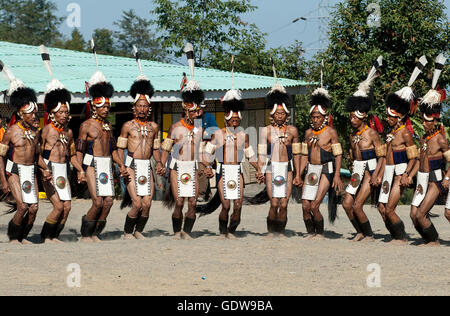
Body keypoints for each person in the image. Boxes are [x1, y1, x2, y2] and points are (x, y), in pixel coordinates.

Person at [0, 61, 52, 244]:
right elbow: (0, 156)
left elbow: (37, 155)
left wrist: (45, 169)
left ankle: (23, 236)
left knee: (34, 208)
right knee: (22, 206)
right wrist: (3, 180)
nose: (34, 115)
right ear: (22, 114)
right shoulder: (11, 131)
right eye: (31, 113)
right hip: (14, 171)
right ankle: (13, 237)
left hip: (30, 172)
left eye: (35, 112)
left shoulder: (36, 132)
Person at [201, 88, 262, 239]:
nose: (234, 122)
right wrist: (208, 166)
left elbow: (251, 156)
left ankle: (231, 231)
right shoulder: (218, 134)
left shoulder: (243, 136)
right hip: (222, 172)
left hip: (238, 171)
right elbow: (206, 155)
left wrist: (259, 169)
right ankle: (223, 232)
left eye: (237, 120)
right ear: (226, 119)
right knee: (226, 205)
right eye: (232, 120)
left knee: (238, 206)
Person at [38, 47, 84, 243]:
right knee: (58, 206)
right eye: (61, 112)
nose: (65, 115)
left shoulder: (69, 132)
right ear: (54, 113)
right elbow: (36, 153)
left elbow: (72, 154)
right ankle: (45, 237)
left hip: (63, 170)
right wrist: (43, 170)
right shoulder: (46, 130)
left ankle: (54, 235)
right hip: (49, 170)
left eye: (67, 112)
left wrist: (80, 170)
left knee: (67, 207)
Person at [160, 43, 204, 240]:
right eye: (193, 111)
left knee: (193, 202)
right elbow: (166, 148)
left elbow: (205, 150)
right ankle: (177, 231)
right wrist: (161, 163)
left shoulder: (201, 129)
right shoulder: (175, 127)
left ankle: (188, 231)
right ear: (186, 109)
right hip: (177, 166)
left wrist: (208, 165)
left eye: (198, 111)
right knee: (179, 202)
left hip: (193, 166)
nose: (196, 114)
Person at [378, 62, 421, 244]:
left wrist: (406, 174)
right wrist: (379, 173)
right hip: (388, 172)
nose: (388, 119)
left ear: (400, 117)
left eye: (391, 117)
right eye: (388, 116)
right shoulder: (390, 132)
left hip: (399, 173)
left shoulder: (405, 133)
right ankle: (395, 234)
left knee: (389, 209)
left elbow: (414, 157)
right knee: (381, 208)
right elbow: (384, 154)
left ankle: (401, 237)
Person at [115, 69, 162, 240]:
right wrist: (121, 166)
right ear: (134, 107)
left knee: (147, 203)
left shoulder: (154, 127)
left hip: (147, 165)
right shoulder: (127, 126)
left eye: (145, 106)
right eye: (139, 105)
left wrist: (159, 163)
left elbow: (156, 149)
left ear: (149, 108)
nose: (142, 108)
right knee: (136, 202)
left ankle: (138, 231)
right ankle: (127, 232)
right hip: (132, 166)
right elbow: (120, 148)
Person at [342, 57, 384, 242]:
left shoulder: (372, 133)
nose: (352, 120)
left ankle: (369, 234)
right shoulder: (352, 136)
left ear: (363, 116)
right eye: (350, 117)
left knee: (358, 205)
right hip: (357, 170)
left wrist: (377, 175)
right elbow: (352, 154)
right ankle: (360, 230)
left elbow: (382, 156)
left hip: (370, 170)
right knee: (346, 204)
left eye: (354, 117)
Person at [76, 70, 117, 242]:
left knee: (109, 201)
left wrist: (120, 165)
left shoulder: (109, 125)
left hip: (106, 165)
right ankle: (86, 233)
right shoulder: (86, 126)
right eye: (103, 107)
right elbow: (79, 150)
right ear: (94, 106)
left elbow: (113, 149)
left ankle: (95, 232)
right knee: (98, 201)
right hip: (91, 165)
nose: (106, 109)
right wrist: (80, 170)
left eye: (108, 107)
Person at [411, 54, 447, 246]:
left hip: (436, 180)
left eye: (428, 120)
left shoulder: (441, 139)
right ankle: (427, 239)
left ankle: (434, 241)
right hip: (422, 178)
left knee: (421, 213)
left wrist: (447, 178)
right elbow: (418, 160)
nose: (424, 123)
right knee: (413, 214)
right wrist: (409, 175)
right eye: (423, 120)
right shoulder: (423, 138)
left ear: (435, 120)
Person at [298, 85, 344, 239]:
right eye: (313, 117)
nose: (316, 120)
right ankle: (311, 232)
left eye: (318, 117)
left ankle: (321, 233)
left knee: (315, 205)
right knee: (305, 205)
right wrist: (298, 174)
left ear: (324, 117)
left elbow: (338, 155)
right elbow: (304, 155)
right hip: (311, 170)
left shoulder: (331, 132)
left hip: (326, 170)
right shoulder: (308, 133)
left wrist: (337, 175)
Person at [258, 83, 302, 237]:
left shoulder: (293, 131)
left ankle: (281, 231)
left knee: (283, 204)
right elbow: (262, 153)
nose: (280, 115)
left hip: (287, 168)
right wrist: (259, 170)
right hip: (271, 167)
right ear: (272, 114)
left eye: (283, 113)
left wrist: (298, 174)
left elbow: (297, 154)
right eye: (277, 113)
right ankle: (271, 230)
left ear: (287, 114)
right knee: (274, 203)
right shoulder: (266, 130)